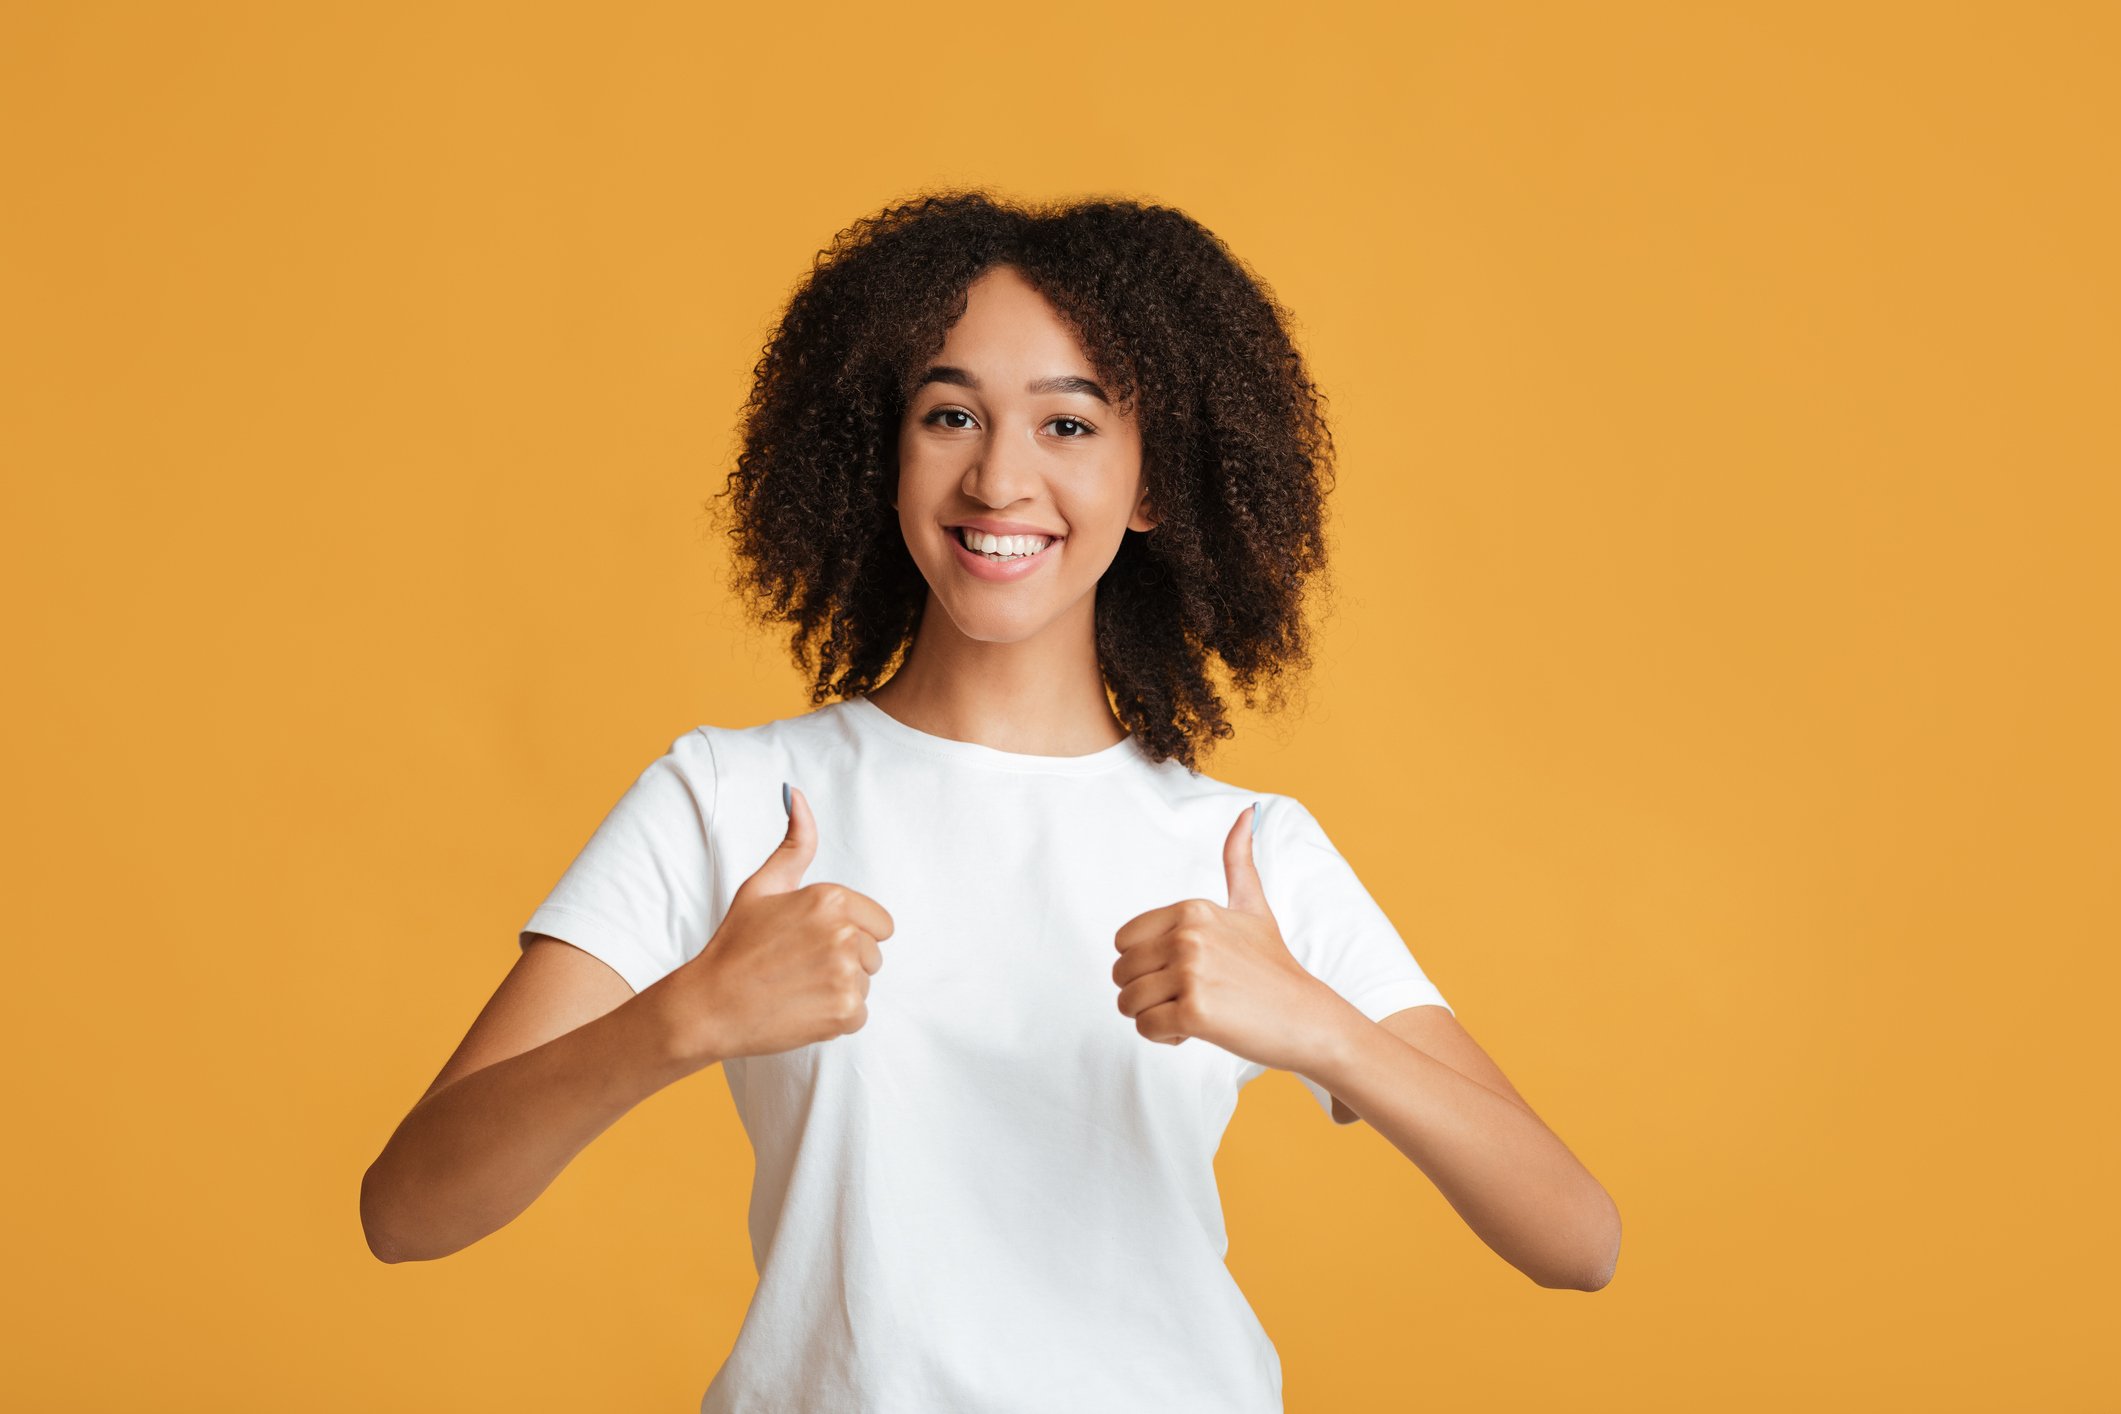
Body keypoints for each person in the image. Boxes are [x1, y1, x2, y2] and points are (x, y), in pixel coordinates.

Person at [361, 191, 1620, 1411]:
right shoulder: (729, 798)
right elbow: (406, 1209)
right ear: (882, 454)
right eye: (950, 416)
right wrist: (682, 1017)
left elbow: (1577, 1236)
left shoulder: (1244, 854)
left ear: (1153, 488)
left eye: (1069, 425)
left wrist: (1321, 1024)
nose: (1000, 479)